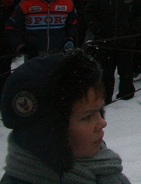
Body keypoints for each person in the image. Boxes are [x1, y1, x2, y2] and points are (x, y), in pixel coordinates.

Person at [0, 49, 131, 182]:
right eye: (87, 117)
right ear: (47, 134)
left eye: (99, 111)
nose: (102, 123)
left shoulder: (104, 168)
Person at [5, 0, 77, 59]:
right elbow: (11, 28)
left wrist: (70, 40)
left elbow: (73, 24)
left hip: (59, 54)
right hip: (33, 55)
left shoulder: (66, 2)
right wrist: (21, 47)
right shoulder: (26, 3)